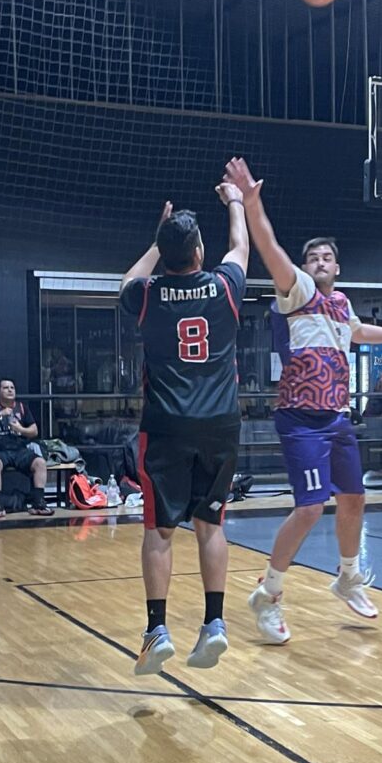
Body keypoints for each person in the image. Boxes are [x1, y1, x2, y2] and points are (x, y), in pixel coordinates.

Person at [222, 156, 382, 644]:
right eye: (313, 257)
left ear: (337, 267)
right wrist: (252, 204)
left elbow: (357, 331)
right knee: (309, 508)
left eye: (327, 258)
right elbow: (269, 247)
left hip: (337, 417)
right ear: (305, 267)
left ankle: (347, 576)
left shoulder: (340, 303)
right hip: (300, 418)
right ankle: (268, 595)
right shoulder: (297, 291)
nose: (320, 262)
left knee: (355, 499)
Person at [119, 180, 248, 675]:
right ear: (198, 251)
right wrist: (235, 201)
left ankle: (157, 630)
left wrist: (156, 242)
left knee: (159, 530)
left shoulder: (147, 295)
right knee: (211, 524)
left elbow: (127, 281)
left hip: (167, 425)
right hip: (220, 424)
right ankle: (214, 623)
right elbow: (240, 246)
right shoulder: (224, 287)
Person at [0, 379, 55, 519]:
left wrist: (20, 429)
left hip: (19, 450)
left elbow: (34, 431)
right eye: (6, 387)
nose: (10, 390)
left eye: (12, 387)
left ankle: (38, 503)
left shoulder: (22, 407)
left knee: (40, 463)